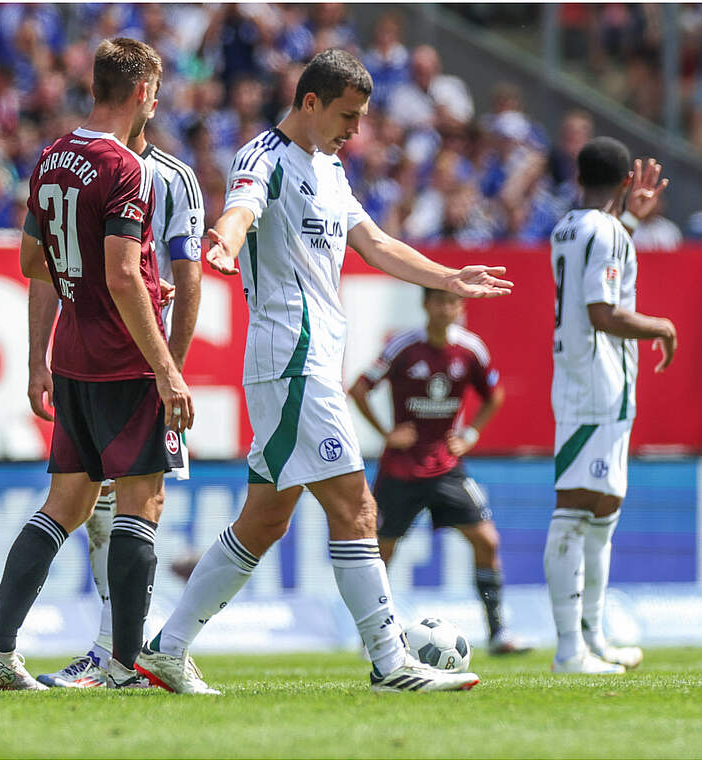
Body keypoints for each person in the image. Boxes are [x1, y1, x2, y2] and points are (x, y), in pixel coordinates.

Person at [137, 49, 511, 695]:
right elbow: (243, 207)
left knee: (265, 520)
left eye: (361, 118)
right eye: (347, 115)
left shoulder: (330, 168)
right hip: (292, 363)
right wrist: (223, 241)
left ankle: (166, 650)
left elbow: (376, 243)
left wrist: (450, 276)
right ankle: (392, 664)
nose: (355, 130)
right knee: (357, 507)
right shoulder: (263, 159)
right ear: (310, 102)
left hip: (306, 367)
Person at [0, 38, 191, 691]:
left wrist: (43, 351)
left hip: (71, 355)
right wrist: (167, 367)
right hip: (123, 359)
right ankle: (124, 664)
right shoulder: (126, 166)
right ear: (143, 90)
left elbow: (33, 262)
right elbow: (124, 274)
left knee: (64, 503)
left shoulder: (51, 156)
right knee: (141, 503)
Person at [30, 97, 206, 691]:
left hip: (144, 367)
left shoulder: (172, 177)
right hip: (97, 360)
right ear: (144, 96)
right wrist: (40, 354)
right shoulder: (89, 165)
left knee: (135, 503)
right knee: (99, 505)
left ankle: (126, 653)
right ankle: (114, 654)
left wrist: (170, 368)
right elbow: (49, 269)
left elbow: (188, 279)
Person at [544, 140, 677, 675]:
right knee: (573, 514)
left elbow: (599, 271)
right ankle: (568, 651)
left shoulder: (570, 227)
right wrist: (661, 326)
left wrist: (631, 222)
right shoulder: (603, 232)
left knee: (600, 515)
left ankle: (593, 639)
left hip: (601, 386)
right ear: (625, 182)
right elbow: (603, 312)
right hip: (594, 386)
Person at [347, 288, 531, 656]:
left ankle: (498, 632)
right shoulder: (403, 347)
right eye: (440, 301)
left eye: (454, 302)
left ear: (461, 308)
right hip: (401, 468)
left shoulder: (471, 349)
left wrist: (471, 435)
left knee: (487, 541)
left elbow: (493, 394)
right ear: (426, 305)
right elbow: (358, 388)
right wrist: (387, 433)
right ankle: (374, 636)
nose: (447, 308)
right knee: (381, 551)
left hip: (447, 466)